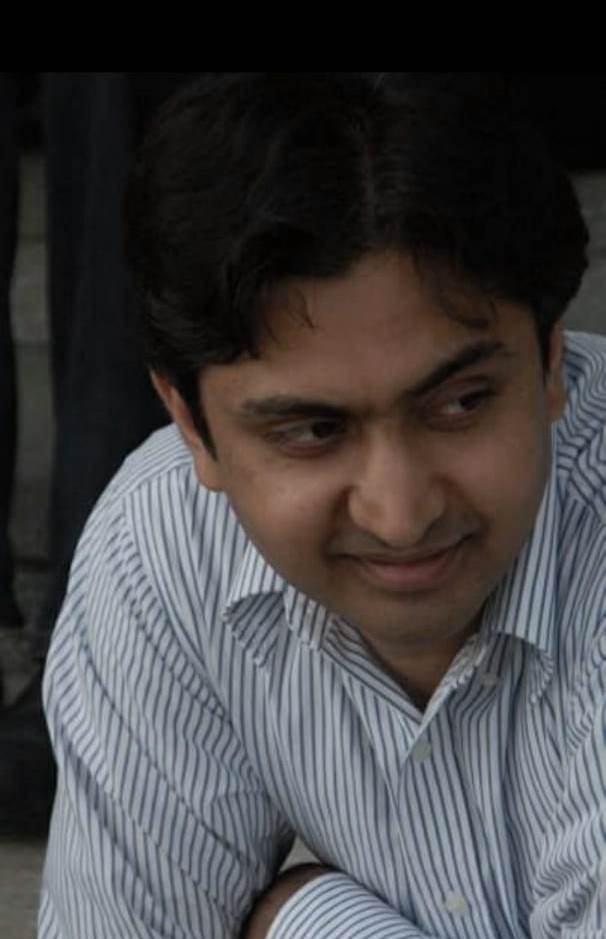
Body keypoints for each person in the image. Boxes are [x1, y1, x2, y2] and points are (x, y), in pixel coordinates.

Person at [38, 74, 604, 938]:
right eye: (312, 430)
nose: (400, 513)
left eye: (461, 403)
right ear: (190, 424)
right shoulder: (161, 545)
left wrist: (306, 917)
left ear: (553, 360)